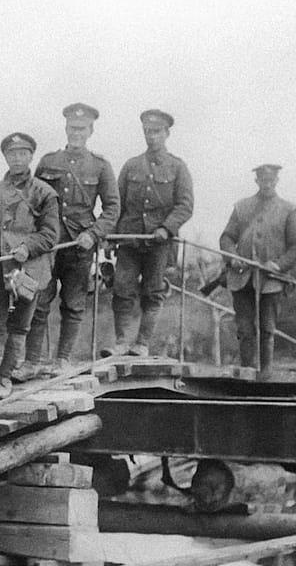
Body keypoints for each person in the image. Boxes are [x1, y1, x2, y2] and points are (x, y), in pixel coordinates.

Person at [18, 103, 120, 378]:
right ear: (65, 128)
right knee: (38, 301)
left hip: (80, 246)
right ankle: (32, 362)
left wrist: (93, 234)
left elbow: (112, 208)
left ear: (90, 131)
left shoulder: (100, 166)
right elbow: (32, 200)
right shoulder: (49, 162)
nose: (76, 133)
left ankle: (62, 360)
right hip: (48, 245)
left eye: (82, 129)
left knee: (73, 305)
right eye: (72, 128)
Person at [0, 133, 59, 405]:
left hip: (29, 270)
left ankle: (4, 379)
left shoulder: (44, 193)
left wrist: (28, 247)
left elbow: (51, 235)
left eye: (22, 153)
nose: (17, 159)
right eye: (12, 154)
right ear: (5, 157)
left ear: (31, 157)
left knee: (20, 326)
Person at [102, 109, 193, 357]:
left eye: (156, 132)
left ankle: (142, 343)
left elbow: (185, 205)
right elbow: (116, 203)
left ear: (167, 133)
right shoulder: (131, 165)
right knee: (121, 289)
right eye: (147, 132)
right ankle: (121, 342)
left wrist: (166, 227)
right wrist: (110, 237)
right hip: (129, 240)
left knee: (153, 292)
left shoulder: (178, 167)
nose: (151, 137)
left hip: (159, 243)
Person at [219, 164, 296, 373]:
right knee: (245, 328)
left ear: (277, 181)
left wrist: (278, 265)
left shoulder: (289, 209)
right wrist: (233, 258)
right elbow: (227, 237)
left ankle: (265, 372)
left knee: (267, 327)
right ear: (256, 181)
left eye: (271, 180)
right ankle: (248, 371)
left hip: (272, 280)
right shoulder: (242, 206)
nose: (266, 184)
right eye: (262, 180)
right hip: (241, 277)